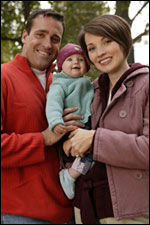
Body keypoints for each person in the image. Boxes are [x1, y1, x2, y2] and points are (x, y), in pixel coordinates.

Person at [63, 14, 149, 224]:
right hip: (86, 209)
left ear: (122, 40)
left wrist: (94, 139)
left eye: (107, 42)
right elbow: (75, 141)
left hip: (131, 212)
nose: (100, 53)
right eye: (91, 48)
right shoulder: (89, 91)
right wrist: (67, 142)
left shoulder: (146, 84)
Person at [1, 9, 84, 224]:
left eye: (55, 39)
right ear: (25, 36)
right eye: (40, 34)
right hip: (20, 213)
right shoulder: (3, 77)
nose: (48, 44)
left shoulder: (62, 84)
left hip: (68, 211)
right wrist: (44, 138)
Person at [46, 43, 94, 200]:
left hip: (87, 126)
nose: (76, 62)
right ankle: (70, 176)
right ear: (60, 67)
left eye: (81, 59)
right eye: (70, 59)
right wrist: (55, 121)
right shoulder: (60, 83)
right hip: (71, 127)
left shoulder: (87, 82)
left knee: (93, 154)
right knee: (89, 155)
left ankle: (74, 174)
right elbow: (53, 103)